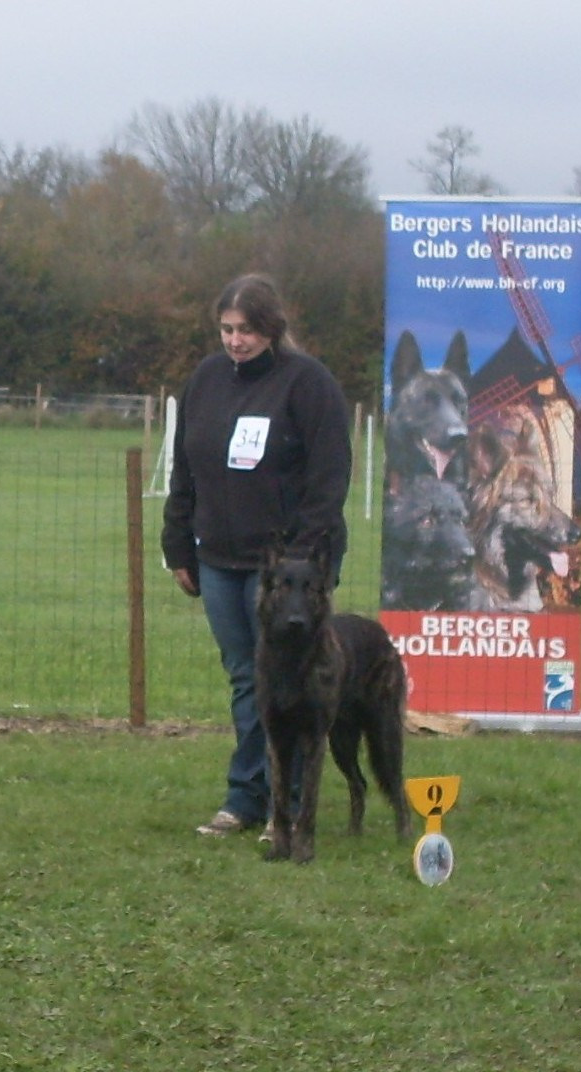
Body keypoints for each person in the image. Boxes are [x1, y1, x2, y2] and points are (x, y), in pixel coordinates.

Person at [160, 273, 352, 838]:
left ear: (272, 328)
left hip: (288, 574)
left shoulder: (309, 384)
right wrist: (178, 543)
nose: (235, 341)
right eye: (226, 329)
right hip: (218, 558)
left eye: (246, 329)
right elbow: (185, 466)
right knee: (247, 679)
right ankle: (246, 797)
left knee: (293, 684)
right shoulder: (207, 379)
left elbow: (329, 477)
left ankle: (287, 805)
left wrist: (302, 562)